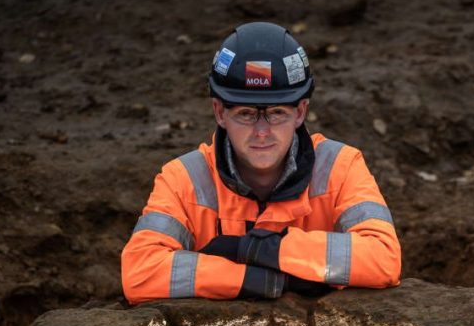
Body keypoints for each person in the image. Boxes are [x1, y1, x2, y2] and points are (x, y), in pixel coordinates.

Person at [121, 22, 401, 304]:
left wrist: (258, 250)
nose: (262, 131)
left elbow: (384, 257)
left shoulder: (340, 166)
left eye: (277, 113)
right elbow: (140, 273)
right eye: (245, 113)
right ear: (219, 112)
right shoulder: (183, 179)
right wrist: (259, 280)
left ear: (301, 112)